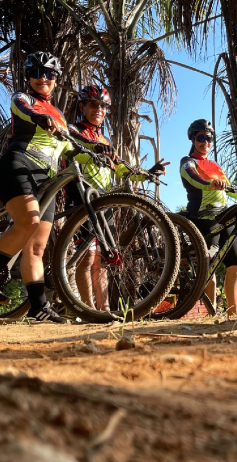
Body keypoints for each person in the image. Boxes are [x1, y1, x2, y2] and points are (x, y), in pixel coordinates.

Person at [0, 51, 95, 323]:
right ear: (28, 76)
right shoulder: (23, 98)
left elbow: (74, 149)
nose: (42, 78)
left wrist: (103, 157)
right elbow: (23, 110)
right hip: (18, 165)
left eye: (48, 73)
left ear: (56, 79)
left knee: (36, 248)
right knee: (28, 221)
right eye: (36, 72)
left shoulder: (60, 116)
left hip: (46, 182)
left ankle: (39, 308)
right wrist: (38, 117)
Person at [66, 85, 169, 311]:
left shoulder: (103, 138)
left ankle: (102, 310)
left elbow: (121, 169)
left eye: (103, 106)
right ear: (82, 106)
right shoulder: (73, 130)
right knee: (87, 257)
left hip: (104, 201)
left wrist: (148, 172)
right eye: (94, 104)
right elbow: (74, 143)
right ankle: (88, 309)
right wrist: (98, 148)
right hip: (80, 197)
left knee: (103, 260)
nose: (99, 109)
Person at [180, 119, 237, 315]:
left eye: (209, 138)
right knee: (209, 265)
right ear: (193, 139)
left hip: (225, 217)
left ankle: (233, 313)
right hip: (203, 218)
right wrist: (209, 184)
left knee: (236, 265)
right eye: (201, 138)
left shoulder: (215, 166)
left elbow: (232, 190)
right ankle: (210, 313)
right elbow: (192, 178)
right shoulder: (188, 162)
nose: (205, 142)